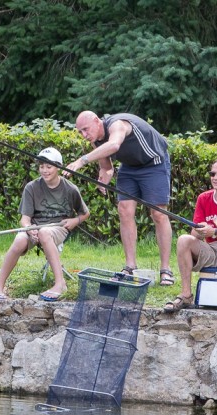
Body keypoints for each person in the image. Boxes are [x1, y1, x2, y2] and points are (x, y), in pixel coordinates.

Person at [65, 111, 175, 286]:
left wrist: (81, 161)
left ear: (97, 121)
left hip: (154, 163)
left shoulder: (117, 124)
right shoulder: (96, 140)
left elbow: (115, 145)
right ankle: (130, 266)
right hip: (130, 168)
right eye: (80, 132)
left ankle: (165, 270)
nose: (84, 135)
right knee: (124, 210)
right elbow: (106, 165)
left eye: (86, 129)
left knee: (158, 214)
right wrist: (105, 176)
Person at [0, 147, 90, 301]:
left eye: (49, 167)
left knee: (45, 232)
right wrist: (28, 229)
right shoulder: (32, 187)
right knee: (19, 240)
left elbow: (85, 213)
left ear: (58, 167)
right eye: (41, 166)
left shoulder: (70, 189)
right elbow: (25, 219)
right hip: (34, 227)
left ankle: (60, 283)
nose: (44, 170)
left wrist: (75, 221)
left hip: (58, 228)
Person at [163, 157, 217, 319]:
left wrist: (215, 233)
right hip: (212, 251)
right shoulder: (203, 198)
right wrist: (200, 231)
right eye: (212, 174)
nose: (215, 178)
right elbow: (194, 235)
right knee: (184, 240)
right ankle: (186, 295)